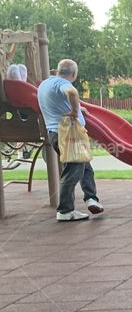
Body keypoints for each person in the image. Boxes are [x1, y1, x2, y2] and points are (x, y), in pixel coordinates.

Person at [36, 59, 103, 221]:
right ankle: (65, 210)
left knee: (85, 167)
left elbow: (57, 101)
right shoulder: (62, 84)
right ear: (73, 74)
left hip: (58, 133)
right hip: (67, 134)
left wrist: (77, 107)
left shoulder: (45, 84)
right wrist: (74, 110)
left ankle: (91, 198)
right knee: (73, 171)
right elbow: (71, 93)